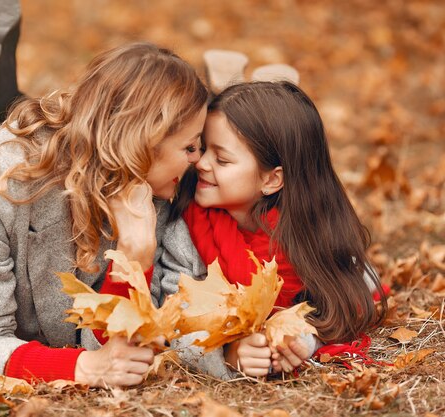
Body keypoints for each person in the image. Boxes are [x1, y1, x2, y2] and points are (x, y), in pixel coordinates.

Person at [0, 42, 208, 387]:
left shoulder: (155, 192)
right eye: (191, 147)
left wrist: (134, 254)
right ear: (142, 143)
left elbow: (101, 343)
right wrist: (88, 368)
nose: (200, 162)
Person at [86, 80, 386, 379]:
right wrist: (228, 353)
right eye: (203, 148)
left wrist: (306, 335)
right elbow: (176, 324)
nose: (200, 162)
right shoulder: (186, 233)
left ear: (271, 180)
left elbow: (357, 288)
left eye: (222, 159)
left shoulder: (313, 230)